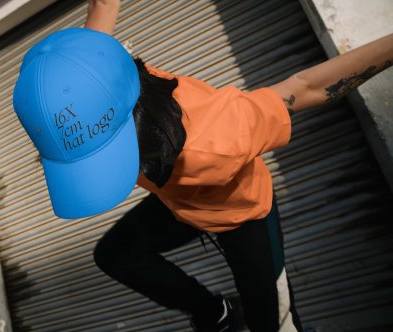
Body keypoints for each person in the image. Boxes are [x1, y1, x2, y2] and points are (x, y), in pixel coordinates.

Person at [83, 1, 393, 331]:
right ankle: (215, 312)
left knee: (270, 326)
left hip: (242, 211)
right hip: (181, 203)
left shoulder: (217, 136)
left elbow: (306, 87)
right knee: (114, 255)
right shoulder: (92, 76)